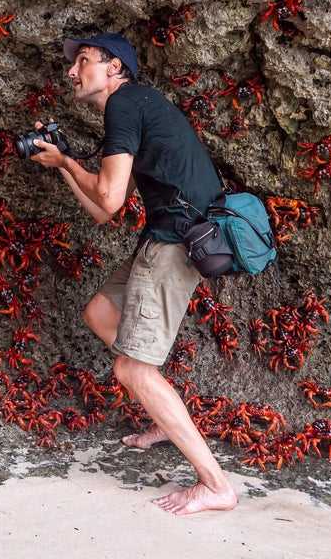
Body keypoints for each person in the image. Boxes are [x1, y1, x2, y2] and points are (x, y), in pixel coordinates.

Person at [29, 32, 238, 515]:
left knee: (130, 368)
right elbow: (105, 213)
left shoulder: (124, 104)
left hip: (177, 241)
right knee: (101, 312)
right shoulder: (137, 104)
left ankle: (215, 486)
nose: (72, 71)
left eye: (83, 61)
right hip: (171, 235)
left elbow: (108, 198)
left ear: (114, 68)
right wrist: (65, 164)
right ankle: (163, 415)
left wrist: (67, 162)